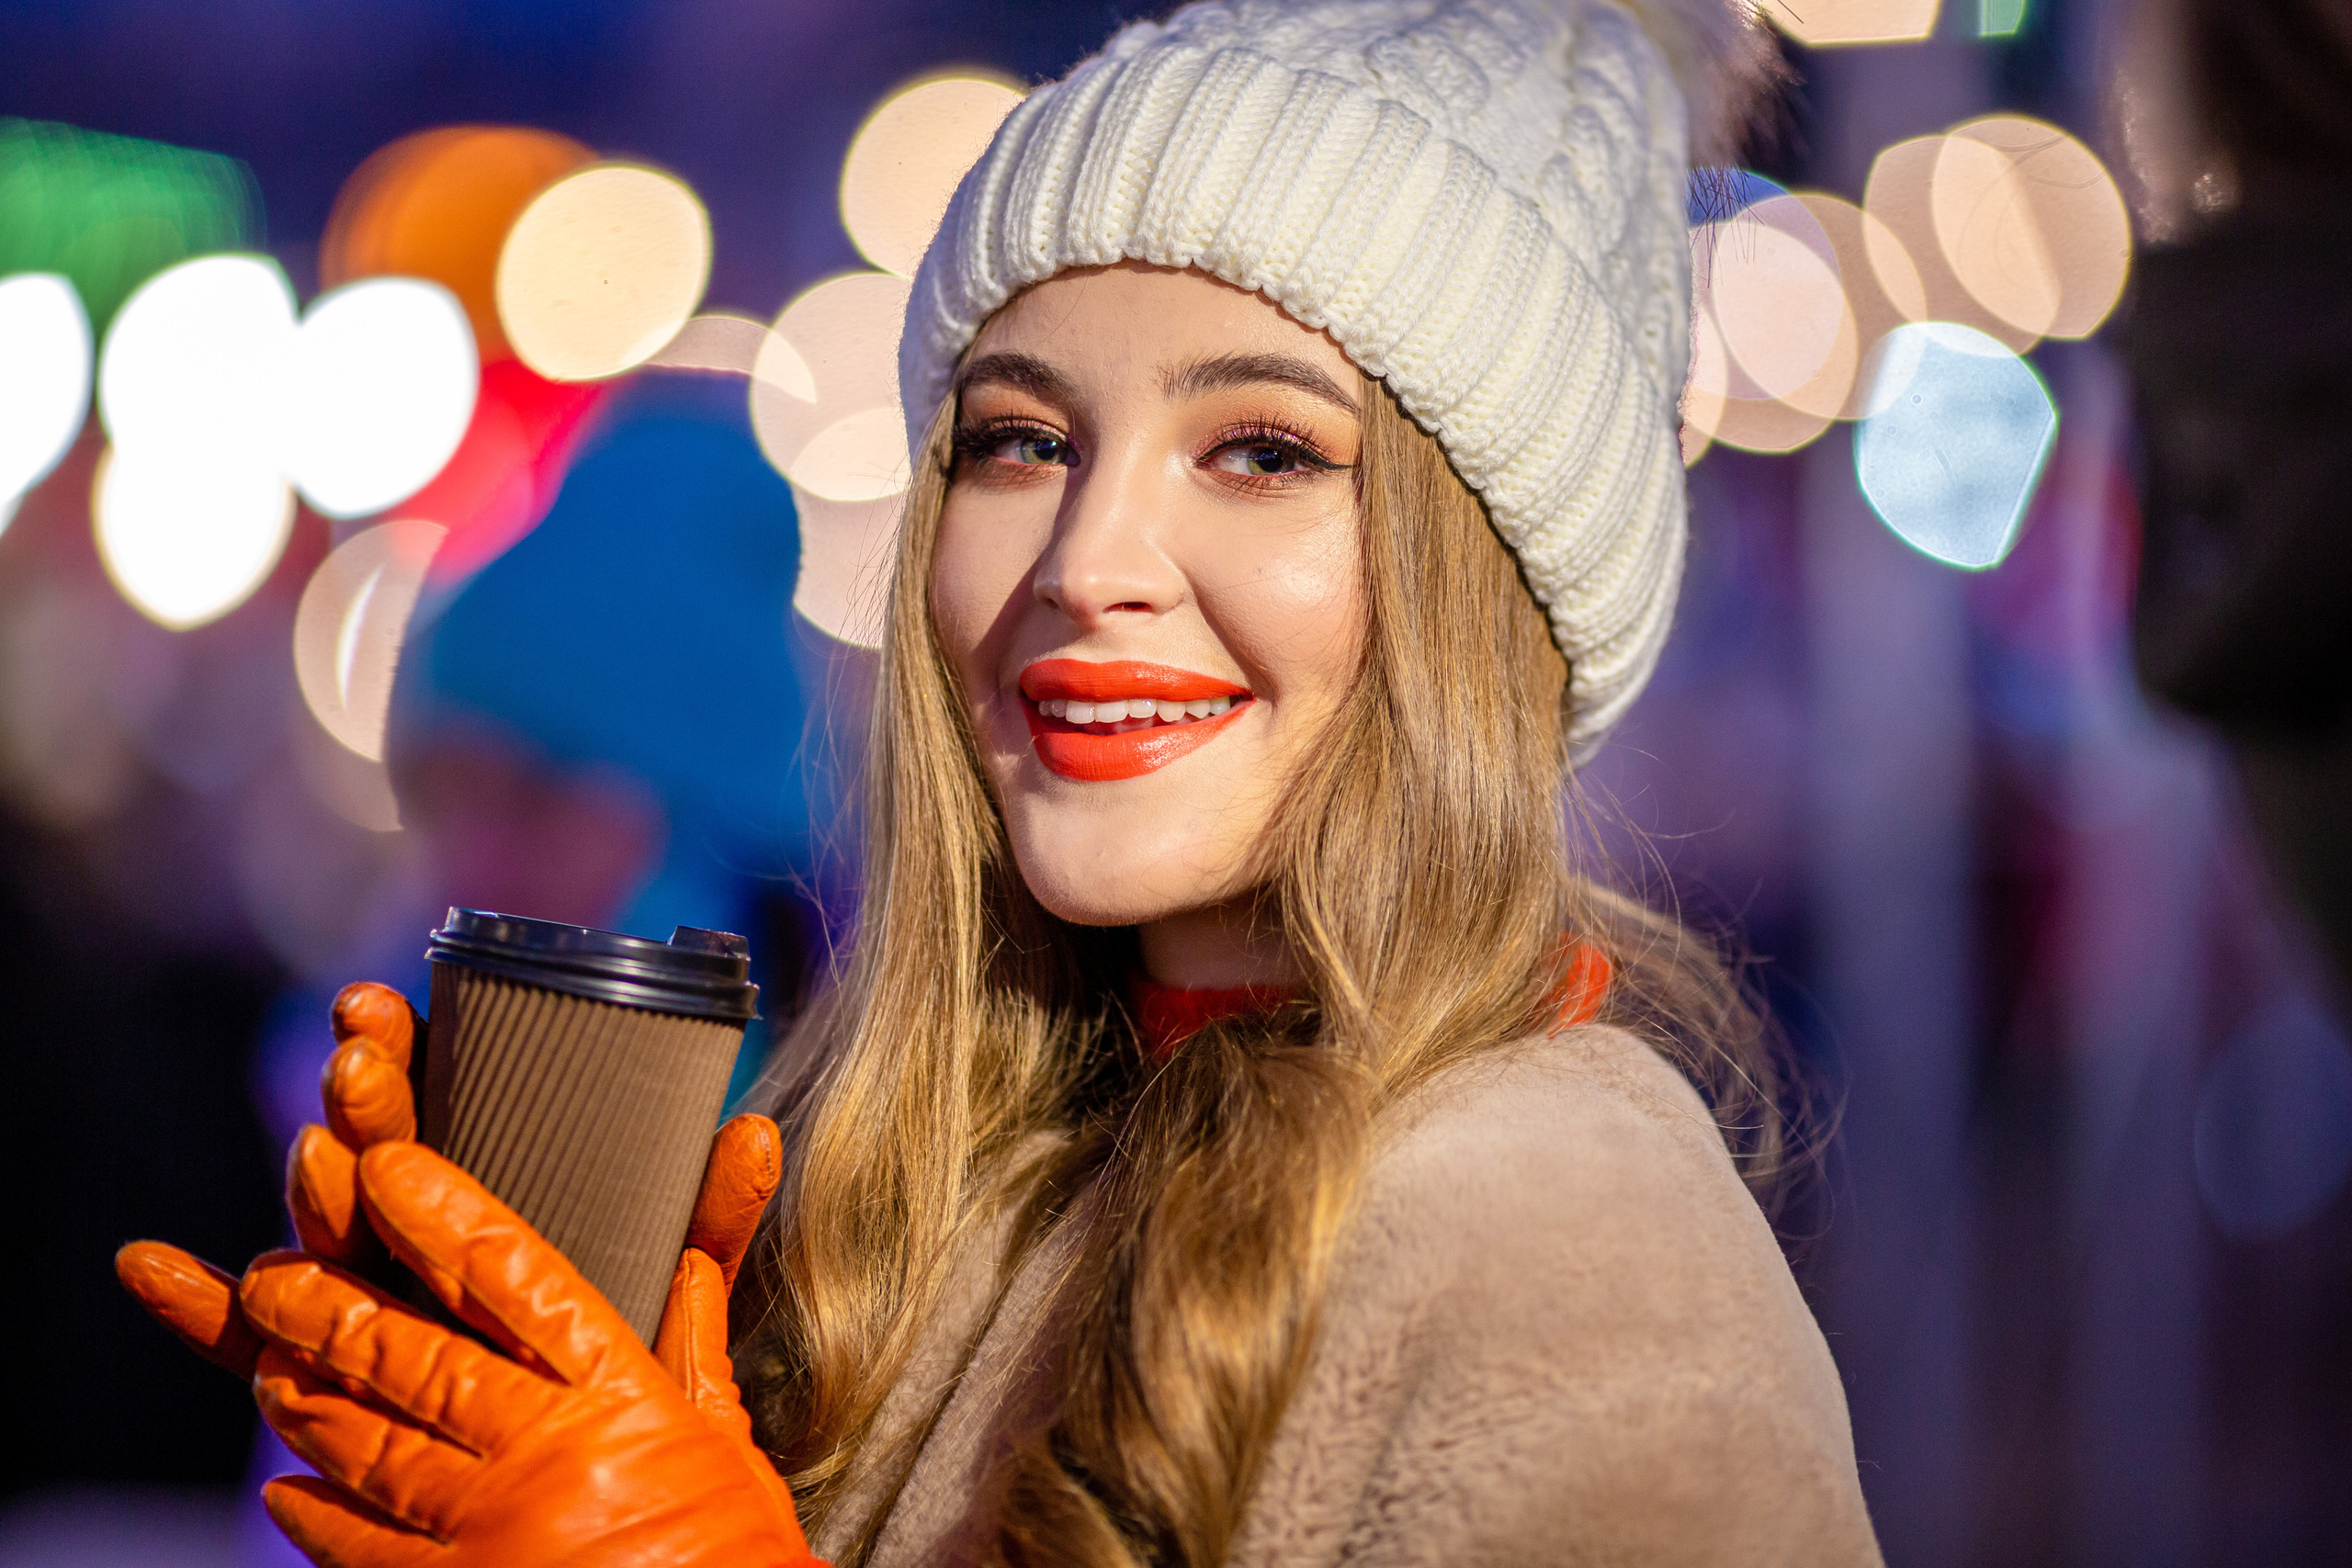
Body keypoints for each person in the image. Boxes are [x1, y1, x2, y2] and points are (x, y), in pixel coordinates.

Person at [118, 1, 1886, 1562]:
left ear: (1493, 587)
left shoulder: (1582, 1260)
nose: (1087, 559)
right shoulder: (936, 1177)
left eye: (1263, 450)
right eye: (1023, 440)